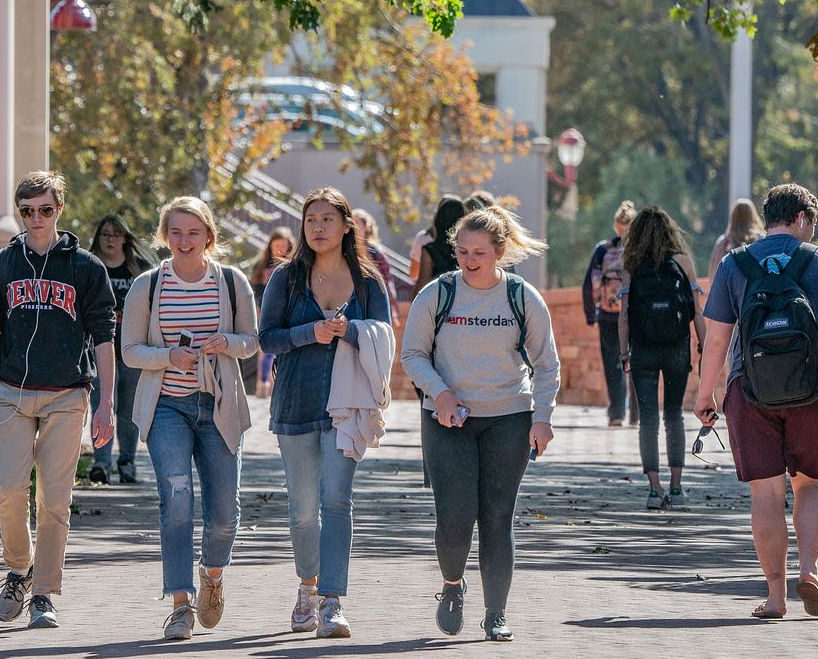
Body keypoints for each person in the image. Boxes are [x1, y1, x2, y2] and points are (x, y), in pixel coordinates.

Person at [694, 183, 818, 620]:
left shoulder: (734, 263)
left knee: (765, 494)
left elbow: (716, 338)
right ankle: (810, 570)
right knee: (811, 485)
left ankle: (775, 597)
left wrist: (705, 395)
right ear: (804, 218)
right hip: (812, 392)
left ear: (770, 218)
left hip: (749, 392)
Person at [401, 205, 560, 642]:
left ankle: (496, 613)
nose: (470, 260)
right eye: (463, 251)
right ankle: (453, 584)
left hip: (508, 417)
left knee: (496, 516)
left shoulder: (522, 297)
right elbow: (412, 355)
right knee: (454, 517)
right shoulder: (438, 294)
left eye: (480, 253)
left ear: (500, 251)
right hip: (447, 419)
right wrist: (442, 393)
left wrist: (542, 419)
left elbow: (547, 364)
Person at [0, 170, 116, 630]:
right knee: (9, 489)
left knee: (54, 499)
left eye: (45, 210)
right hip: (10, 393)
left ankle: (44, 595)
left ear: (60, 211)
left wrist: (107, 401)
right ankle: (19, 569)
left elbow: (104, 337)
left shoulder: (85, 268)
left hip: (67, 395)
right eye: (27, 211)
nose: (36, 219)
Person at [122, 196, 259, 641]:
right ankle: (180, 605)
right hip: (168, 407)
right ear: (165, 236)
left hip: (218, 407)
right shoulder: (148, 285)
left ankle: (212, 577)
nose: (184, 241)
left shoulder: (232, 282)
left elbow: (252, 342)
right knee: (176, 501)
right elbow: (130, 351)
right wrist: (168, 356)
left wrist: (227, 343)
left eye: (193, 233)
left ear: (208, 237)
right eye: (176, 232)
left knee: (223, 514)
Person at [259, 187, 391, 639]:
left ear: (346, 226)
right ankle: (307, 587)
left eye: (327, 220)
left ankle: (332, 602)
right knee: (302, 509)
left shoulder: (370, 281)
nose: (317, 227)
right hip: (296, 403)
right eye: (310, 219)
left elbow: (385, 337)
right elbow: (267, 338)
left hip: (348, 407)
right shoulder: (286, 278)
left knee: (336, 501)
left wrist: (349, 329)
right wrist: (310, 332)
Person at [617, 206, 706, 510]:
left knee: (648, 420)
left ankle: (654, 490)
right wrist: (704, 347)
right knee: (673, 415)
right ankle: (677, 487)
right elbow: (696, 311)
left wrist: (624, 352)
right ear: (670, 231)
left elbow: (624, 316)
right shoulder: (682, 262)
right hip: (676, 346)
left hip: (642, 348)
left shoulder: (631, 264)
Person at [88, 213, 156, 483]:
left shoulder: (138, 268)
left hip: (131, 348)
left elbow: (152, 306)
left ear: (125, 238)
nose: (110, 239)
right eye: (105, 234)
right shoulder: (91, 266)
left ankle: (127, 462)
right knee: (101, 406)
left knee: (128, 409)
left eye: (116, 234)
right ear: (98, 237)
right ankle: (101, 463)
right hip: (98, 347)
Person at [582, 201, 637, 427]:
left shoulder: (603, 250)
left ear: (616, 226)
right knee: (637, 363)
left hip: (607, 315)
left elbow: (589, 284)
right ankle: (637, 414)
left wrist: (591, 314)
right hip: (634, 316)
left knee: (613, 363)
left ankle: (616, 414)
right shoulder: (639, 251)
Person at [249, 227, 295, 398]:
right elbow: (255, 289)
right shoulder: (262, 267)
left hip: (287, 313)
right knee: (266, 348)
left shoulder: (294, 266)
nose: (280, 250)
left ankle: (277, 385)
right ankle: (263, 384)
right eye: (277, 246)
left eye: (283, 246)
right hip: (265, 311)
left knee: (282, 348)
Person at [352, 208, 401, 327]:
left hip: (374, 302)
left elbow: (387, 281)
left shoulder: (377, 253)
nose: (354, 228)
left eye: (357, 223)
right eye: (351, 223)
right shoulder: (346, 252)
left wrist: (392, 309)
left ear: (366, 227)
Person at [414, 195, 467, 291]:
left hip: (437, 301)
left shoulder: (430, 250)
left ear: (438, 220)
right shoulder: (467, 250)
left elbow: (422, 284)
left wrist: (413, 303)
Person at [708, 197, 766, 279]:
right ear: (753, 215)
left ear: (733, 217)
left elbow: (714, 273)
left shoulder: (724, 242)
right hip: (756, 287)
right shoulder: (762, 239)